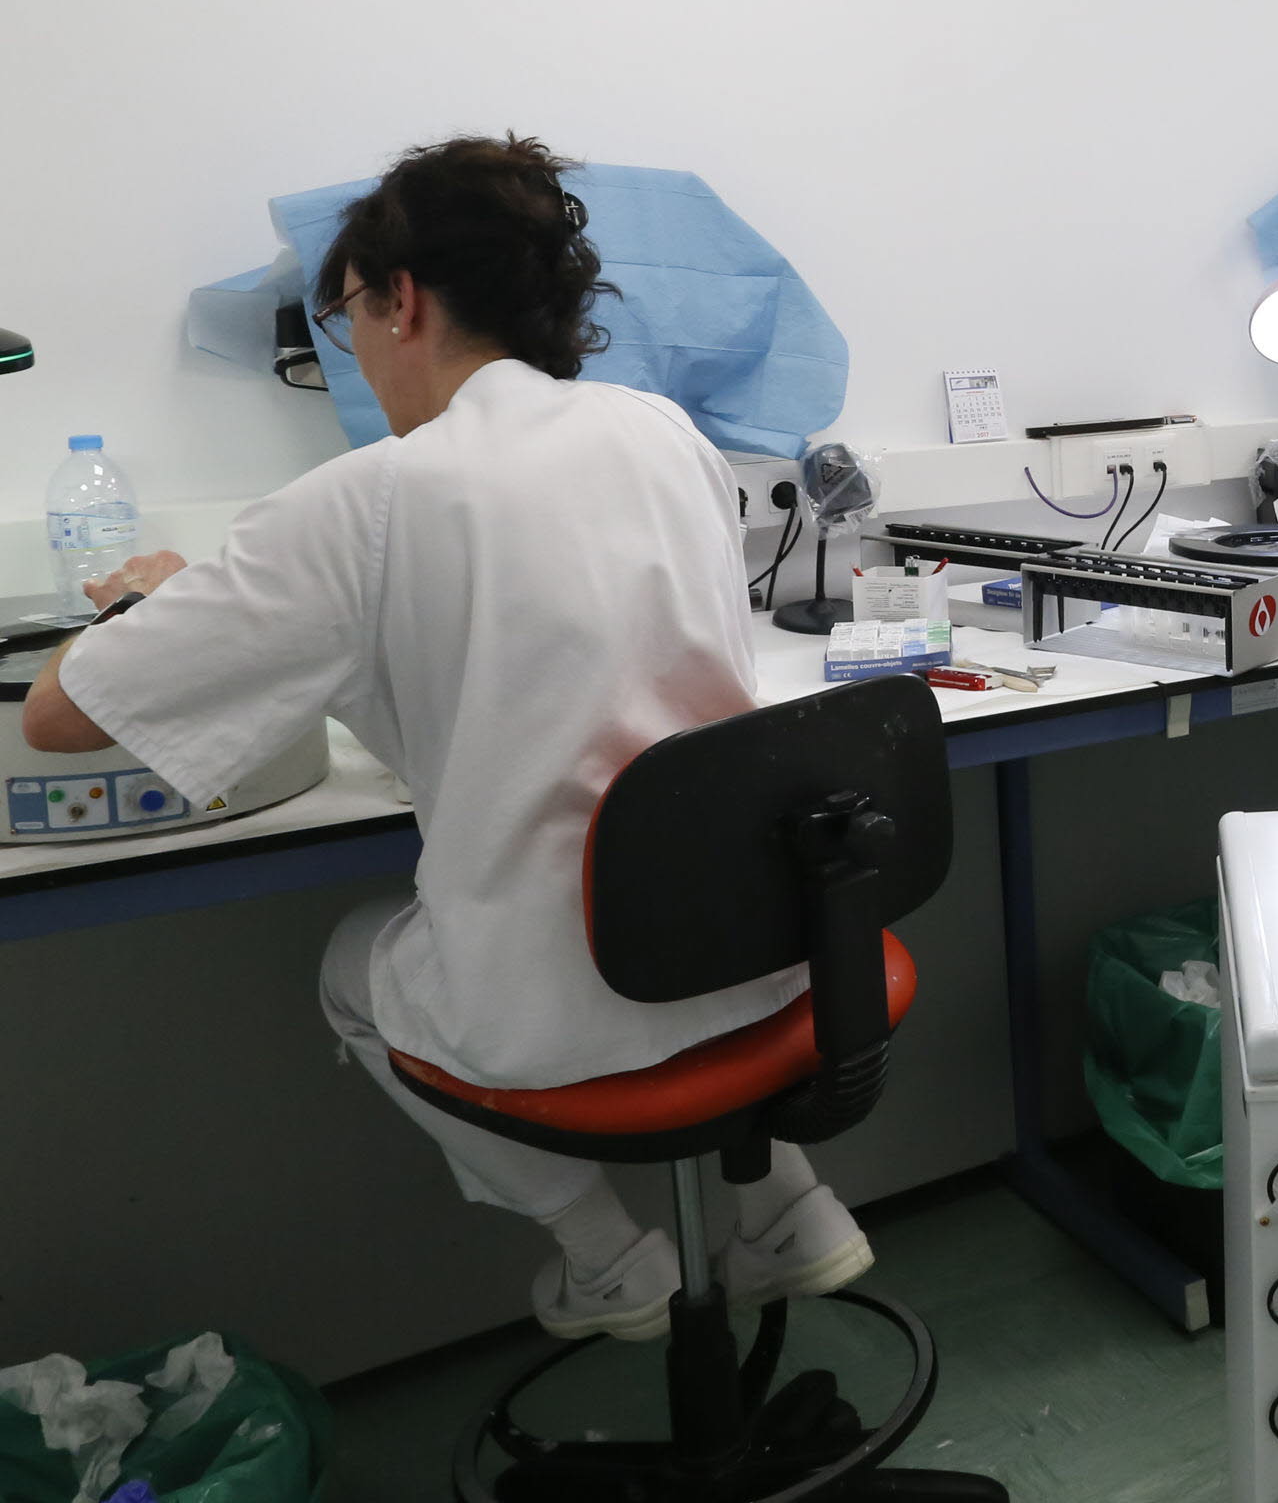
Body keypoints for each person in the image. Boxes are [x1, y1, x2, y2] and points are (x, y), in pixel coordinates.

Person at [20, 135, 873, 1346]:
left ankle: (608, 1258)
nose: (355, 350)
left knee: (351, 959)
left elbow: (61, 715)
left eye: (348, 318)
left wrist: (147, 602)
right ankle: (790, 1203)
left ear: (398, 298)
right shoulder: (660, 432)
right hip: (766, 944)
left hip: (564, 995)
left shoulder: (369, 495)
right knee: (667, 914)